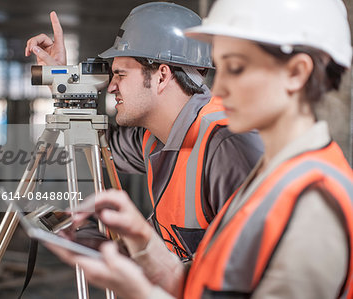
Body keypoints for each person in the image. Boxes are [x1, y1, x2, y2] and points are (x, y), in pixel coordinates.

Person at [45, 0, 353, 298]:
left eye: (236, 68)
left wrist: (141, 292)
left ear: (296, 73)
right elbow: (216, 284)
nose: (217, 90)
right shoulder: (273, 175)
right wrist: (143, 243)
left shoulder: (312, 205)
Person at [25, 2, 263, 258]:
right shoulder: (153, 135)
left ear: (161, 76)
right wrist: (63, 85)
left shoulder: (227, 145)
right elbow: (94, 144)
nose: (111, 87)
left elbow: (254, 273)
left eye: (121, 75)